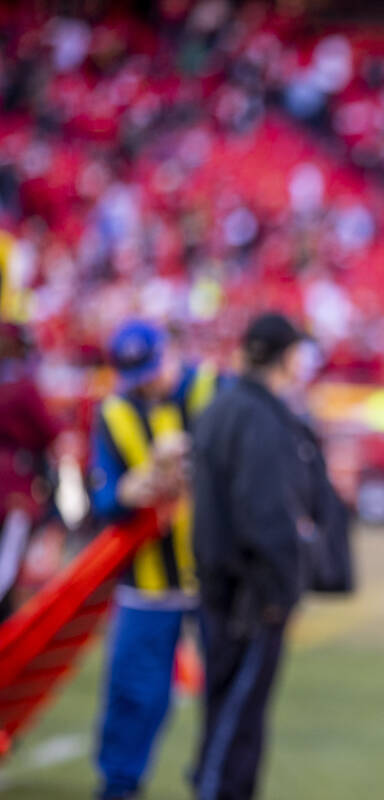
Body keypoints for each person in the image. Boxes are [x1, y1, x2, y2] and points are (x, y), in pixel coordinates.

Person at [191, 311, 344, 800]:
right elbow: (266, 515)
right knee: (234, 724)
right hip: (250, 596)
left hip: (223, 587)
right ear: (286, 355)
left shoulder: (222, 406)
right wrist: (282, 589)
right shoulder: (261, 416)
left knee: (227, 714)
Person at [89, 319, 223, 800]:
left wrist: (197, 462)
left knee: (227, 696)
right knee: (134, 695)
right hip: (148, 581)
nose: (148, 383)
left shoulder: (214, 389)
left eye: (152, 370)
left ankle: (220, 786)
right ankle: (119, 785)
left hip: (217, 577)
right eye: (136, 376)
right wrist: (134, 487)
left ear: (170, 352)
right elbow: (103, 501)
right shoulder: (113, 413)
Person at [0, 322, 61, 620]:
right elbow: (47, 431)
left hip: (13, 484)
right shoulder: (21, 387)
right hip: (13, 487)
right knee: (7, 568)